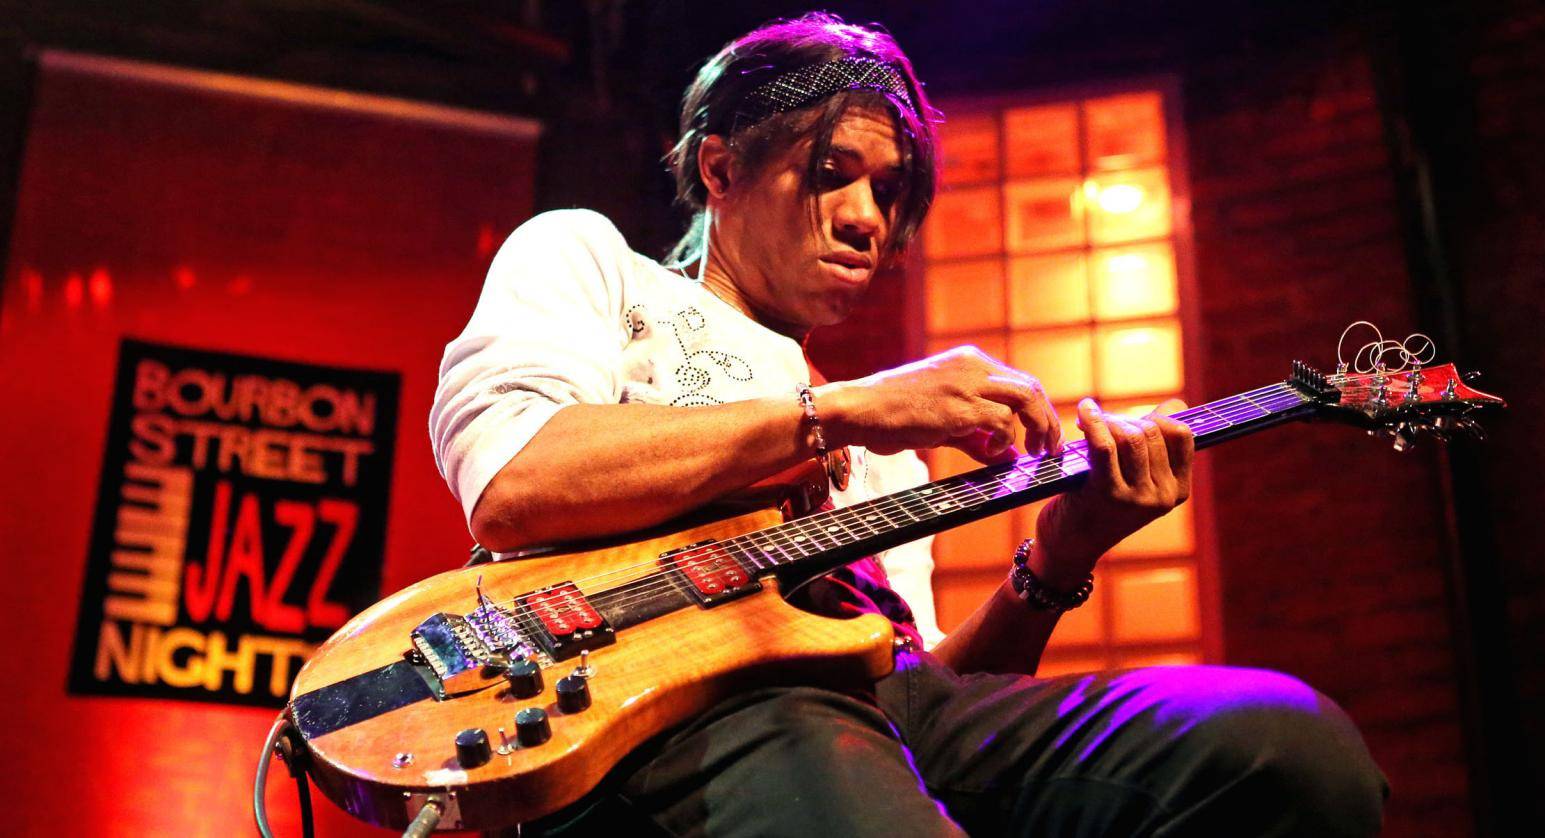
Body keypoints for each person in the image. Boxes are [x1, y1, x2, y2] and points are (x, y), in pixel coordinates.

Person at [430, 12, 1387, 836]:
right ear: (720, 169)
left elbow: (926, 692)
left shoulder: (890, 458)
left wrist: (1058, 559)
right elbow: (515, 484)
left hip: (874, 726)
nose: (867, 220)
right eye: (833, 173)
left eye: (889, 192)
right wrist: (842, 412)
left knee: (1287, 751)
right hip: (677, 715)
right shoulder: (591, 263)